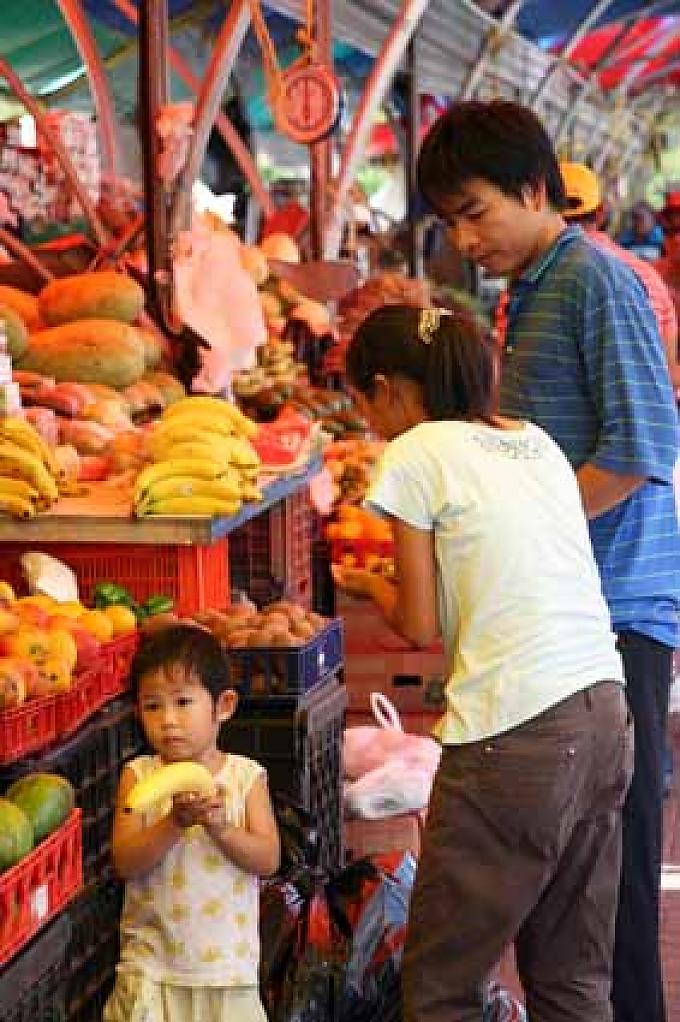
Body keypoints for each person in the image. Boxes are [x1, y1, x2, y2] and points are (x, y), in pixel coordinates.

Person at [416, 99, 679, 1022]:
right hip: (572, 613)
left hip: (615, 613)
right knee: (580, 894)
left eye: (475, 210)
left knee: (616, 884)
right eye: (449, 220)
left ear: (536, 189)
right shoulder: (532, 284)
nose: (463, 236)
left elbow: (644, 442)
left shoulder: (594, 279)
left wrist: (537, 535)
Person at [335, 301, 633, 1022]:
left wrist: (364, 583)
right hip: (602, 714)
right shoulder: (534, 442)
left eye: (366, 402)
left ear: (392, 388)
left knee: (442, 987)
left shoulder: (415, 452)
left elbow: (416, 622)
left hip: (517, 736)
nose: (371, 421)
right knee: (573, 977)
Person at [104, 624, 280, 1022]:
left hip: (226, 974)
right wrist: (173, 823)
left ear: (224, 706)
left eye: (183, 702)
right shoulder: (139, 776)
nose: (167, 720)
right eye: (152, 706)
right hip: (151, 970)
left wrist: (222, 828)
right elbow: (125, 861)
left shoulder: (244, 777)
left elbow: (268, 858)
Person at [560, 161, 679, 394]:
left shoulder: (532, 282)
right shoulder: (647, 274)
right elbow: (669, 376)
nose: (675, 237)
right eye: (670, 227)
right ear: (602, 212)